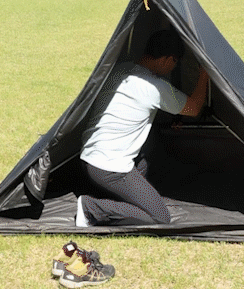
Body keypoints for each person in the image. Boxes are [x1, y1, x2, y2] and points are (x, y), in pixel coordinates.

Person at [76, 29, 209, 227]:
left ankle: (125, 197)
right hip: (110, 169)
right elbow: (194, 107)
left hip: (89, 158)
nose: (173, 68)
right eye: (174, 62)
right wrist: (205, 74)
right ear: (167, 59)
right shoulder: (154, 87)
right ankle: (91, 208)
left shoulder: (119, 69)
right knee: (159, 217)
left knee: (147, 154)